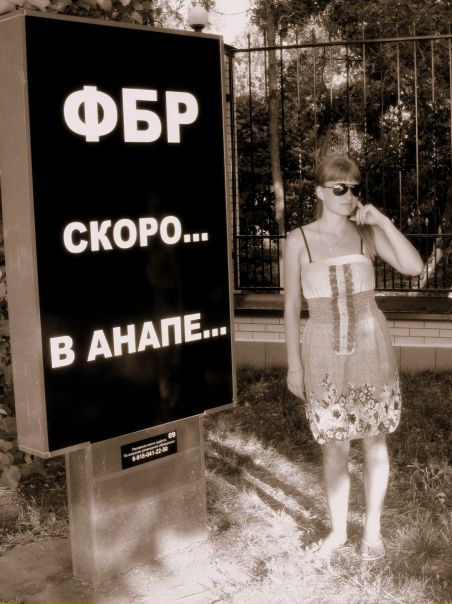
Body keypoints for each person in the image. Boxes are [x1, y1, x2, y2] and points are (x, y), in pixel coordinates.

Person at [284, 154, 424, 561]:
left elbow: (414, 266)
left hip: (370, 345)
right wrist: (294, 365)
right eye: (340, 188)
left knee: (374, 439)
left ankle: (373, 532)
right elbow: (291, 307)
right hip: (321, 349)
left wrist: (383, 222)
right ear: (319, 192)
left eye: (354, 188)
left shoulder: (366, 233)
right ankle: (339, 532)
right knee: (334, 444)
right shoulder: (298, 240)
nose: (349, 195)